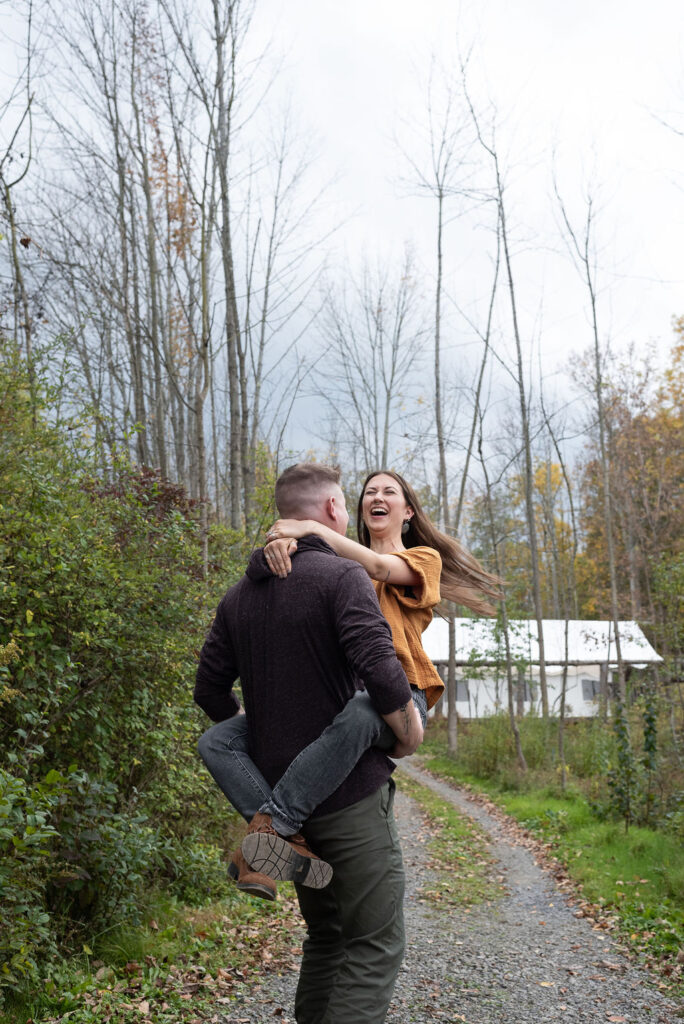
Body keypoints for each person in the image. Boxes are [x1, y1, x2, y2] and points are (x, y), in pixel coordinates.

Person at [198, 470, 503, 891]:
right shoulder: (339, 562)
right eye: (369, 491)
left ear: (408, 511)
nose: (376, 496)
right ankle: (278, 842)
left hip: (400, 693)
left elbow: (378, 565)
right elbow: (308, 572)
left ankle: (273, 825)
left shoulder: (420, 559)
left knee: (363, 712)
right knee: (215, 741)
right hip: (350, 697)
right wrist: (283, 550)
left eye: (389, 492)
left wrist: (308, 530)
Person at [194, 463, 422, 1024]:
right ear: (329, 511)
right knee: (373, 945)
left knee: (327, 936)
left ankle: (271, 829)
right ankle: (275, 829)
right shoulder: (340, 576)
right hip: (348, 803)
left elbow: (209, 690)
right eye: (347, 503)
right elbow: (377, 661)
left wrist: (263, 732)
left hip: (289, 807)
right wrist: (408, 727)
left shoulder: (237, 597)